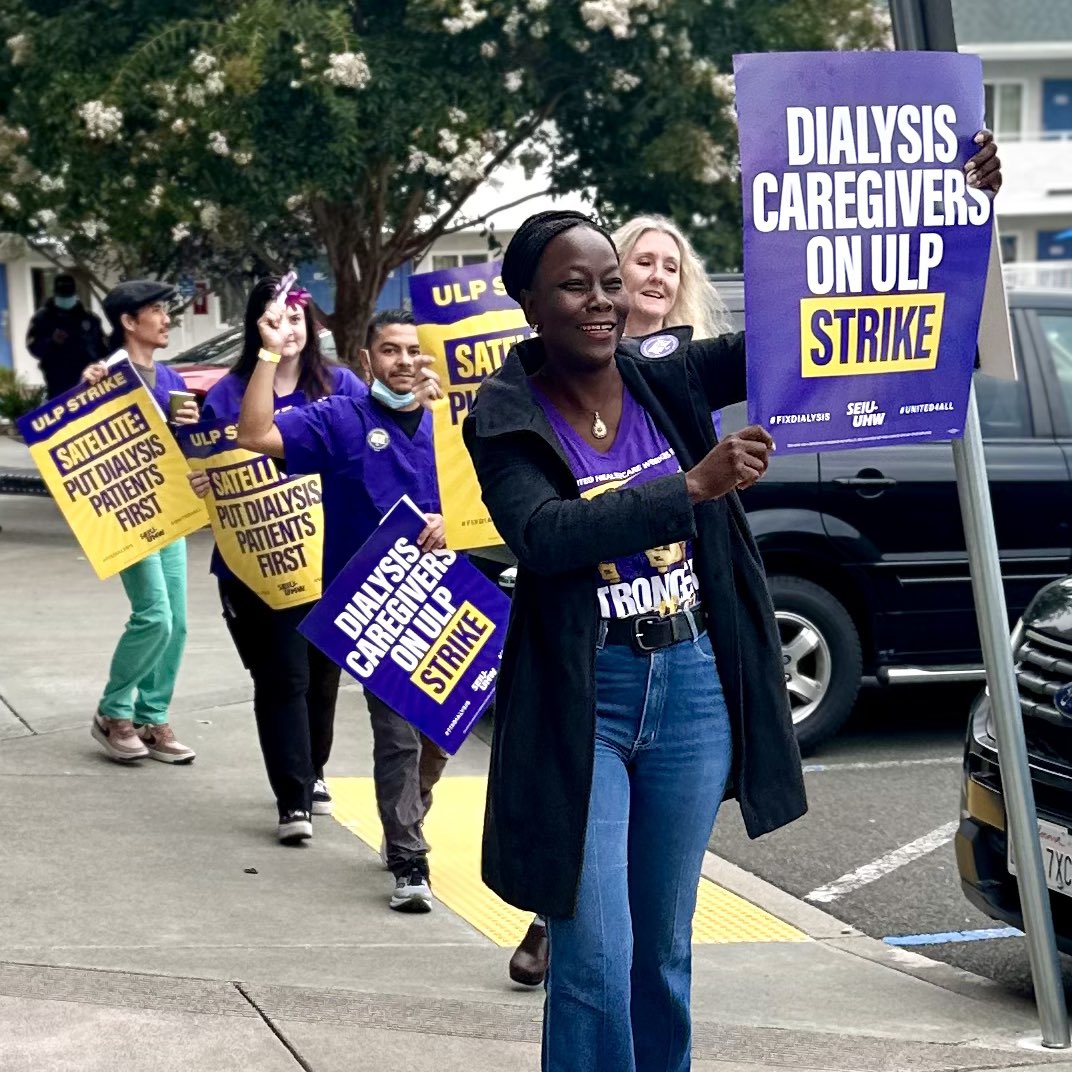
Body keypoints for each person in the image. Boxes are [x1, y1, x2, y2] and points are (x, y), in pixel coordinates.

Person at [507, 212, 733, 986]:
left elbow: (796, 330)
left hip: (691, 687)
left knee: (664, 952)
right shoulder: (506, 415)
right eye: (574, 286)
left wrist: (954, 209)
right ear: (530, 304)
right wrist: (691, 487)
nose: (603, 301)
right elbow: (543, 535)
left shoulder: (665, 372)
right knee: (597, 954)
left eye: (611, 282)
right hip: (585, 697)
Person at [237, 306, 449, 911]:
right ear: (367, 361)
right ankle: (409, 857)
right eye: (390, 351)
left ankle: (409, 814)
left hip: (452, 597)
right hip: (378, 602)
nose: (404, 362)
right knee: (397, 733)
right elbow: (253, 435)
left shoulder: (453, 426)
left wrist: (450, 524)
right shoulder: (340, 418)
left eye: (414, 350)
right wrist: (270, 354)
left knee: (442, 733)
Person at [198, 277, 366, 844]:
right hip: (257, 565)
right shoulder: (229, 393)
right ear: (256, 327)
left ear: (312, 326)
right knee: (281, 677)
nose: (288, 329)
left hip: (331, 559)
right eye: (275, 318)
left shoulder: (342, 386)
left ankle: (314, 771)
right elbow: (203, 465)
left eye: (297, 318)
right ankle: (291, 799)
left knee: (322, 678)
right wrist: (200, 478)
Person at [82, 281, 199, 765]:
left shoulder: (170, 377)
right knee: (154, 616)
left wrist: (189, 425)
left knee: (179, 624)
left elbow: (179, 449)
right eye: (156, 311)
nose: (167, 318)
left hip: (169, 510)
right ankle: (113, 713)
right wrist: (88, 397)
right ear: (130, 322)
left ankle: (152, 717)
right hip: (129, 515)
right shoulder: (106, 375)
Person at [26, 273, 105, 398]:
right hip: (57, 380)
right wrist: (52, 341)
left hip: (89, 379)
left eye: (68, 294)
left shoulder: (88, 318)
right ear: (56, 293)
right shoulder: (43, 318)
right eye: (63, 294)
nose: (66, 298)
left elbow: (101, 348)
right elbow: (34, 347)